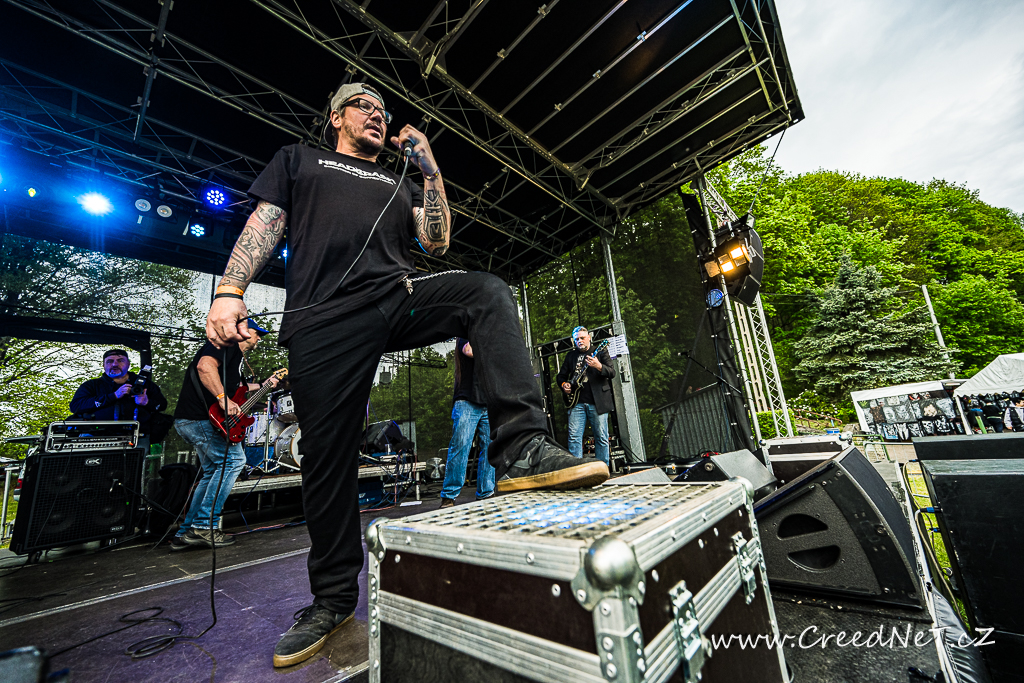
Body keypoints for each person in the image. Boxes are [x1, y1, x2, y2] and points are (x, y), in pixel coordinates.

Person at [202, 82, 609, 667]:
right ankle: (332, 600)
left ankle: (521, 447)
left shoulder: (399, 182)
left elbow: (436, 241)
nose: (377, 114)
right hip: (323, 320)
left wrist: (431, 171)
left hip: (396, 298)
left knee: (486, 291)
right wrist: (230, 290)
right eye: (363, 106)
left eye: (383, 110)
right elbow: (265, 223)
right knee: (326, 457)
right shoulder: (301, 159)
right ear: (336, 115)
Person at [169, 319, 279, 551]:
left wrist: (266, 384)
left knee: (212, 472)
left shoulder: (234, 360)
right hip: (201, 419)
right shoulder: (225, 344)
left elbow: (239, 389)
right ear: (242, 331)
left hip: (195, 421)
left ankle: (186, 531)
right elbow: (205, 367)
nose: (259, 338)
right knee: (233, 461)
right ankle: (203, 526)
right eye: (257, 333)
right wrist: (223, 399)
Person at [439, 338, 494, 508]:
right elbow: (469, 350)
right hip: (467, 400)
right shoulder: (465, 333)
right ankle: (449, 495)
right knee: (460, 447)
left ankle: (486, 492)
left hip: (488, 401)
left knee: (490, 448)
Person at [69, 349, 167, 437]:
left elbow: (162, 405)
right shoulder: (91, 385)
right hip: (94, 436)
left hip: (138, 436)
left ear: (128, 364)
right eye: (110, 361)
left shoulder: (145, 384)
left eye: (120, 361)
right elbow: (75, 406)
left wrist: (147, 402)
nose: (115, 364)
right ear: (103, 365)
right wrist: (113, 396)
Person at [556, 326, 615, 465]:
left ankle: (602, 469)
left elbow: (612, 372)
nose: (580, 341)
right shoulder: (571, 356)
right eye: (576, 339)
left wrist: (598, 366)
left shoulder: (600, 351)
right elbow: (561, 376)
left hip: (598, 402)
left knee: (601, 437)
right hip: (576, 402)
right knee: (574, 438)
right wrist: (564, 384)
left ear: (589, 337)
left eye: (582, 338)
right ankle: (577, 469)